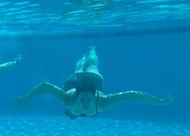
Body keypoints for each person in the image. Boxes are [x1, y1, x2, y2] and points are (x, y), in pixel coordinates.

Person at [14, 46, 173, 118]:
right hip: (73, 85)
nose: (84, 102)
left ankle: (92, 50)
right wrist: (26, 99)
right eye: (83, 99)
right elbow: (45, 86)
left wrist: (158, 102)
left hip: (87, 89)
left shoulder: (100, 101)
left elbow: (131, 95)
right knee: (81, 69)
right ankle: (84, 59)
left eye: (87, 99)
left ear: (95, 95)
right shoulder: (71, 99)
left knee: (91, 68)